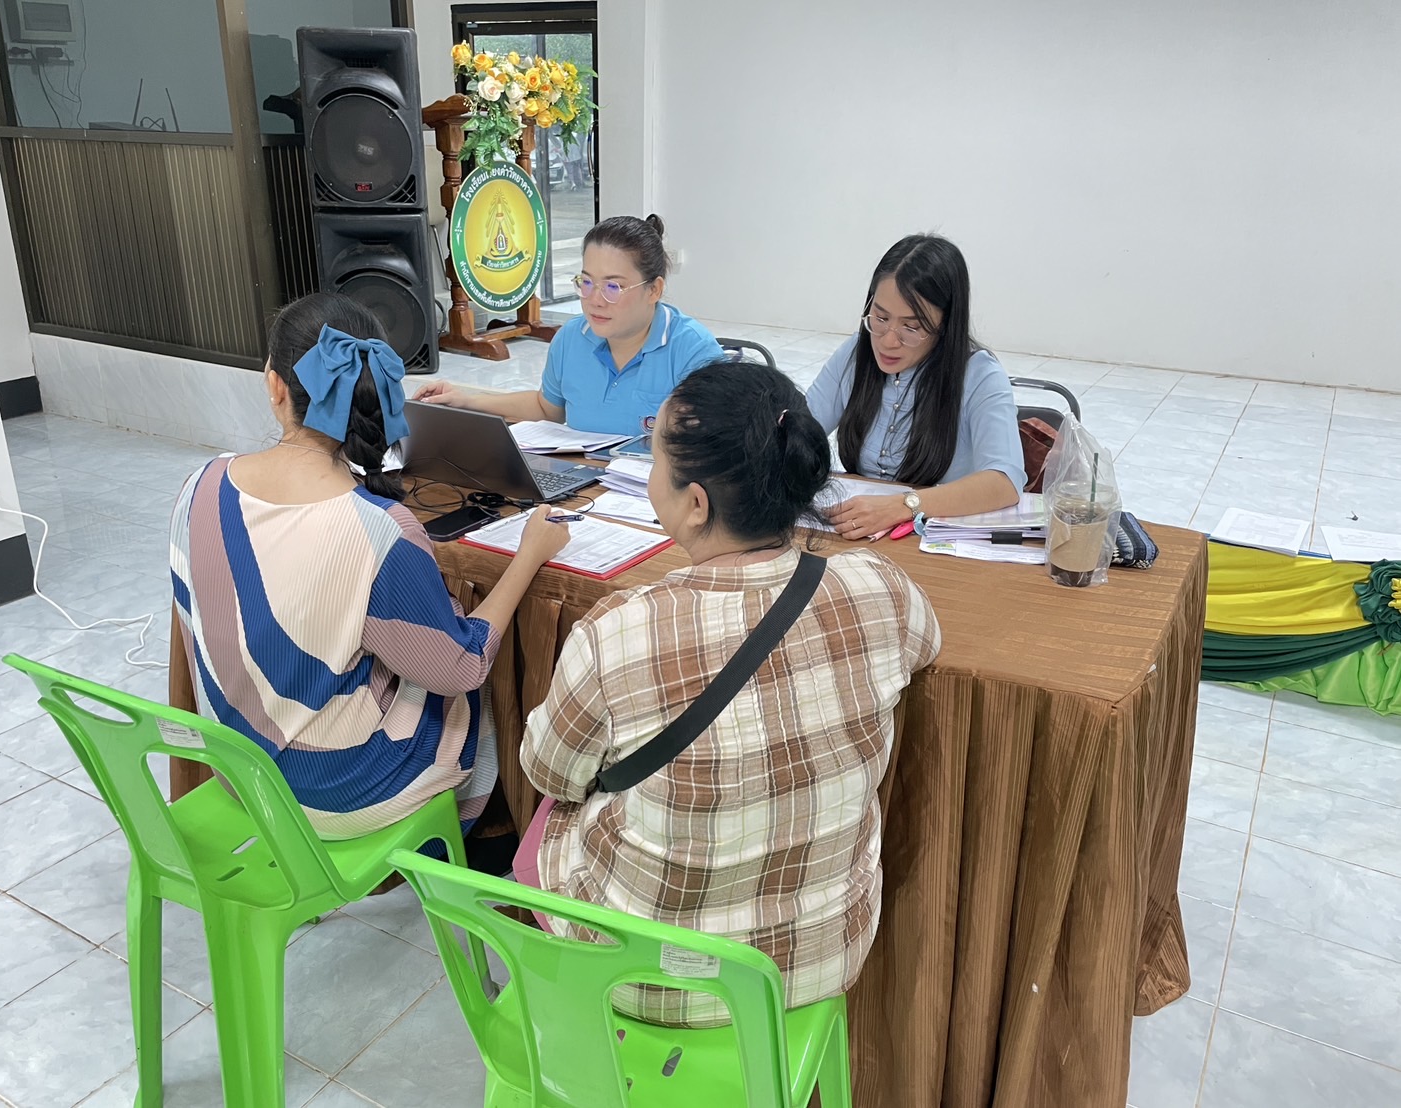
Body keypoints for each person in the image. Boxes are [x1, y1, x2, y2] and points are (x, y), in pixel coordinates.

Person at [515, 360, 942, 1027]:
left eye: (653, 456)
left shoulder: (619, 631)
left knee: (550, 824)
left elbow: (549, 774)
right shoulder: (880, 587)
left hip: (649, 980)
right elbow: (926, 645)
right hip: (822, 957)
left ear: (695, 504)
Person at [169, 292, 570, 839]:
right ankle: (492, 836)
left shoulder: (201, 484)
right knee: (471, 680)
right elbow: (461, 666)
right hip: (334, 797)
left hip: (239, 771)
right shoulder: (380, 529)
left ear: (274, 385)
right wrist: (528, 556)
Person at [412, 215, 724, 435]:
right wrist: (465, 400)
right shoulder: (572, 337)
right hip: (584, 487)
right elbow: (547, 408)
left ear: (653, 290)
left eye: (613, 287)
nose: (595, 300)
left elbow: (715, 448)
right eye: (586, 282)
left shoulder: (692, 350)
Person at [807, 234, 1026, 540]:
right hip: (859, 537)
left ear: (945, 325)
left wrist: (903, 505)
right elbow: (801, 430)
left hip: (932, 542)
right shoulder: (856, 353)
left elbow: (1004, 482)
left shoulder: (979, 374)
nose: (888, 340)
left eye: (911, 327)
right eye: (880, 317)